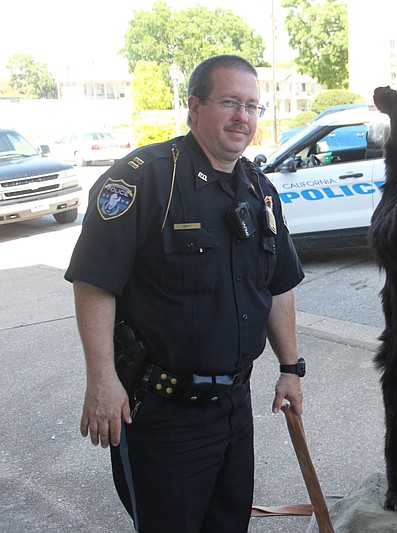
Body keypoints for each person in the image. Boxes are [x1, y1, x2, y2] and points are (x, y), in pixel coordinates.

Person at [65, 54, 306, 533]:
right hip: (162, 413)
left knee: (228, 524)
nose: (243, 117)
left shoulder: (260, 191)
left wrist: (290, 369)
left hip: (234, 408)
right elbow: (95, 281)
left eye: (252, 106)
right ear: (194, 107)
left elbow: (278, 286)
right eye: (229, 102)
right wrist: (102, 379)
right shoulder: (144, 179)